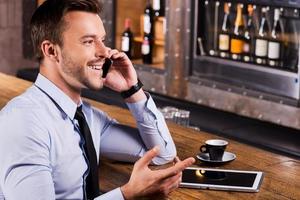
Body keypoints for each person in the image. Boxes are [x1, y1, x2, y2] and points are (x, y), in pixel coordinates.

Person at [0, 0, 195, 199]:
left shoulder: (88, 117)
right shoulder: (23, 122)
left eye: (102, 40)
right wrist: (126, 195)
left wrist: (132, 89)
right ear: (51, 51)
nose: (104, 52)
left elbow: (162, 154)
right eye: (88, 41)